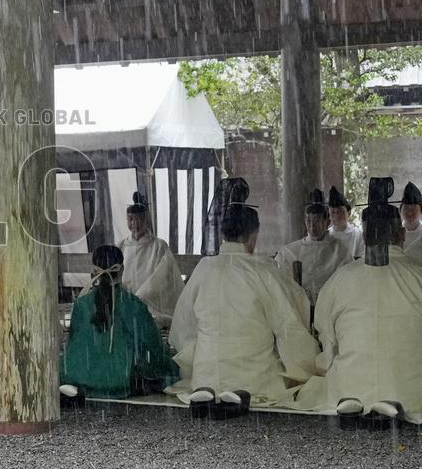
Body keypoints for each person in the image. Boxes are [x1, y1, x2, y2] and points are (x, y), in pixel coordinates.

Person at [168, 178, 318, 415]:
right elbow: (290, 327)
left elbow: (182, 329)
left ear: (223, 234)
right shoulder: (263, 270)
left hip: (205, 379)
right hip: (255, 379)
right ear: (253, 235)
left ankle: (210, 386)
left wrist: (200, 361)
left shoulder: (204, 268)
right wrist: (307, 365)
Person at [294, 177, 422, 424]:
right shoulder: (418, 276)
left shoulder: (341, 279)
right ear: (402, 233)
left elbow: (326, 343)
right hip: (413, 392)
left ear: (364, 235)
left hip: (349, 393)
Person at [60, 245, 178, 400]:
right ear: (122, 270)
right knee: (168, 368)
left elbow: (73, 346)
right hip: (122, 380)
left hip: (83, 378)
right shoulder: (133, 305)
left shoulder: (82, 304)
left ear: (94, 270)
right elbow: (152, 345)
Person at [116, 192, 184, 328]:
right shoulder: (121, 246)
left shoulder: (159, 246)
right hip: (126, 306)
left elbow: (162, 277)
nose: (135, 224)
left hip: (151, 306)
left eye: (139, 219)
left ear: (146, 220)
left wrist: (140, 297)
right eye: (130, 219)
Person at [276, 189, 352, 306]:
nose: (312, 226)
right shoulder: (289, 252)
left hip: (330, 306)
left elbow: (347, 284)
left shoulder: (340, 251)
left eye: (317, 221)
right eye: (308, 221)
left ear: (327, 222)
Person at [328, 186, 364, 259]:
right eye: (333, 212)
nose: (337, 216)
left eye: (341, 211)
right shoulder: (326, 235)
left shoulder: (357, 234)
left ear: (349, 213)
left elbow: (361, 259)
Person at [400, 181, 422, 250]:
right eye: (406, 208)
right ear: (400, 210)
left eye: (414, 208)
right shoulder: (396, 234)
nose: (409, 213)